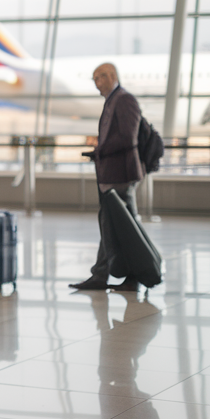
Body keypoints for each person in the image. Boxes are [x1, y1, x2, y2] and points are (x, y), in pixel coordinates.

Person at [71, 63, 145, 292]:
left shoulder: (124, 99)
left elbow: (128, 137)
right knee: (111, 226)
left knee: (125, 227)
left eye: (100, 78)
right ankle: (102, 274)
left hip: (120, 176)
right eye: (94, 79)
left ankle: (132, 274)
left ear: (112, 76)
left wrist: (101, 149)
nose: (97, 83)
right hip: (111, 175)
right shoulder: (113, 100)